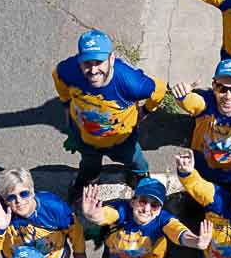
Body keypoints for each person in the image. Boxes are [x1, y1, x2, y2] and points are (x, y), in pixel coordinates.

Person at [52, 29, 166, 201]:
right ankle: (87, 180)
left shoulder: (131, 83)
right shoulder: (68, 71)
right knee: (89, 165)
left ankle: (139, 176)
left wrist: (146, 110)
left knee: (135, 160)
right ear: (79, 61)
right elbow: (58, 77)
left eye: (99, 62)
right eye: (87, 63)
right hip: (85, 138)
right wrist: (67, 106)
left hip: (122, 140)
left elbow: (159, 89)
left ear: (111, 59)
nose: (93, 70)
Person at [0, 169, 87, 258]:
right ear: (4, 200)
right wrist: (0, 229)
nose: (19, 201)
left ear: (32, 191)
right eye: (11, 197)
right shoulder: (0, 215)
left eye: (24, 194)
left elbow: (74, 229)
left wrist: (79, 252)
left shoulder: (53, 207)